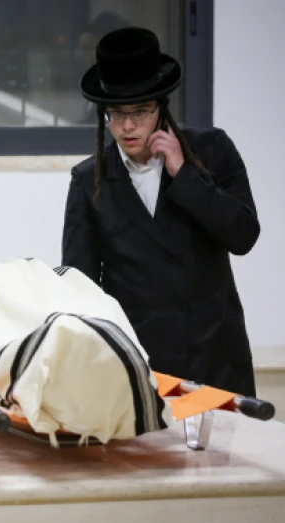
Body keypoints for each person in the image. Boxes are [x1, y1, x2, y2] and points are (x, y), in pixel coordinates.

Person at [62, 27, 260, 396]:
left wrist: (185, 175)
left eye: (140, 111)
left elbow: (243, 235)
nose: (128, 125)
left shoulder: (213, 150)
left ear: (161, 107)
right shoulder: (88, 180)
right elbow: (81, 284)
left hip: (214, 352)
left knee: (227, 453)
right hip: (140, 361)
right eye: (116, 113)